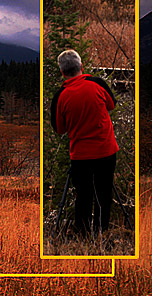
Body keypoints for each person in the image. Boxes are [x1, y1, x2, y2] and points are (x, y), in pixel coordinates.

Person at [51, 49, 118, 236]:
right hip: (107, 150)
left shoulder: (60, 96)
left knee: (83, 195)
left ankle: (83, 235)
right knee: (104, 194)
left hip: (81, 155)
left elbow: (60, 129)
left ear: (62, 72)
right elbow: (111, 105)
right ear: (81, 66)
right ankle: (102, 234)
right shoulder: (97, 84)